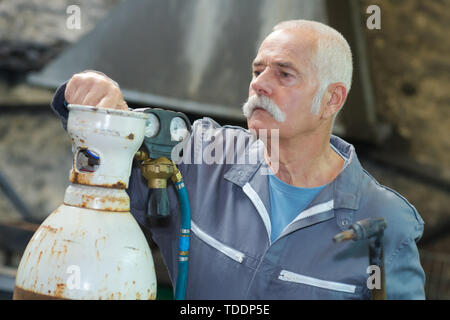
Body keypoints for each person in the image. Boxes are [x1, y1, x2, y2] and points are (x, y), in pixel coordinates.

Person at [51, 20, 425, 299]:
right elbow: (119, 133)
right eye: (257, 70)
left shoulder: (385, 223)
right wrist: (96, 90)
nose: (260, 83)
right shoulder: (200, 156)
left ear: (332, 100)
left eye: (284, 73)